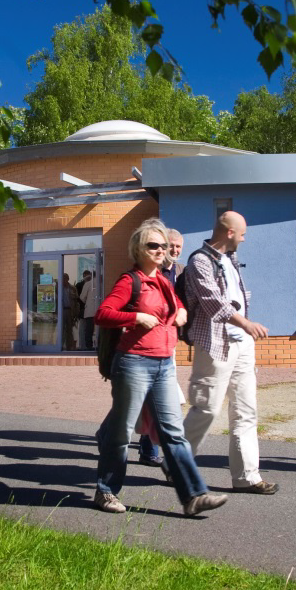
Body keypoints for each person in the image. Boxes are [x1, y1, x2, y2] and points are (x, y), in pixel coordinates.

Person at [93, 219, 227, 517]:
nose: (161, 250)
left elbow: (177, 303)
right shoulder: (130, 281)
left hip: (164, 365)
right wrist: (135, 317)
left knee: (173, 433)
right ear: (138, 248)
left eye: (164, 246)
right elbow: (103, 314)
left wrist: (180, 310)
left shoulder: (165, 282)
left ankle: (193, 495)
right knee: (121, 432)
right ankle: (106, 491)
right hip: (134, 364)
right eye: (154, 245)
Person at [181, 211, 279, 495]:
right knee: (207, 408)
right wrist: (247, 323)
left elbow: (236, 298)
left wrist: (246, 330)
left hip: (242, 345)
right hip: (215, 344)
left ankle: (247, 477)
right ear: (229, 233)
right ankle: (177, 465)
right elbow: (214, 304)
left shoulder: (230, 260)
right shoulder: (199, 261)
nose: (245, 239)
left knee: (246, 411)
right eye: (243, 233)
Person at [135, 228, 185, 466]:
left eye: (177, 247)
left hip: (169, 339)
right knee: (154, 396)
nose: (173, 251)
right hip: (148, 342)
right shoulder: (148, 272)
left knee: (156, 396)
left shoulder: (181, 271)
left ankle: (146, 445)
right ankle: (149, 447)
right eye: (170, 245)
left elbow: (182, 302)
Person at [61, 273, 83, 350]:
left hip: (70, 310)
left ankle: (68, 347)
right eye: (62, 278)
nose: (63, 280)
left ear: (68, 279)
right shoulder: (58, 288)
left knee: (69, 330)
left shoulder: (73, 288)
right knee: (61, 329)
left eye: (65, 278)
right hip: (62, 311)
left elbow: (76, 301)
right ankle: (60, 346)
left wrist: (76, 313)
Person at [77, 270, 97, 350]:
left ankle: (89, 347)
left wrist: (87, 302)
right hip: (102, 310)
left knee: (89, 330)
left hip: (90, 311)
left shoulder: (88, 284)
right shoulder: (103, 283)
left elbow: (82, 297)